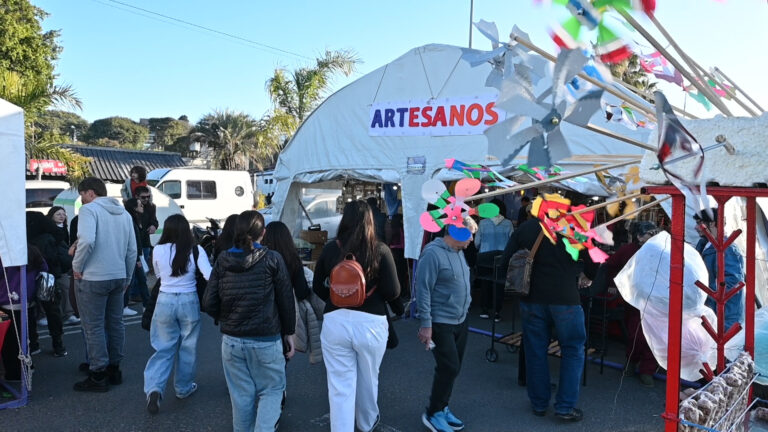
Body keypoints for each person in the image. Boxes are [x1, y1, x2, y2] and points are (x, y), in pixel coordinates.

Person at [203, 210, 296, 432]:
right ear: (263, 233)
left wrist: (226, 317)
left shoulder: (222, 260)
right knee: (272, 390)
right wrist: (289, 332)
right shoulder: (273, 259)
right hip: (266, 338)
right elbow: (285, 299)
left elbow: (208, 302)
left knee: (241, 396)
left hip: (232, 340)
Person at [313, 200, 400, 432]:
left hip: (335, 321)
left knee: (339, 384)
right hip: (371, 323)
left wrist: (338, 297)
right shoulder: (380, 249)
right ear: (370, 221)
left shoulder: (331, 249)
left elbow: (317, 286)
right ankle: (366, 423)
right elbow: (393, 291)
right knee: (369, 378)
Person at [502, 217, 592, 422]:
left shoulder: (526, 228)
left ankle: (539, 403)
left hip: (532, 298)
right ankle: (565, 407)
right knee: (572, 351)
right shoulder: (574, 228)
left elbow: (507, 258)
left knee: (535, 350)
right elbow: (593, 262)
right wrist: (585, 274)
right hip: (566, 298)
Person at [72, 177, 137, 392]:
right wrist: (127, 277)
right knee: (115, 323)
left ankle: (98, 373)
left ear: (90, 193)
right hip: (118, 275)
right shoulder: (125, 214)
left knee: (94, 326)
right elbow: (132, 250)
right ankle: (114, 368)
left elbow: (87, 240)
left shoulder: (89, 210)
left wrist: (77, 265)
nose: (81, 199)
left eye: (82, 194)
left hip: (93, 277)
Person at [144, 214, 212, 415]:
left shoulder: (158, 249)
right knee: (187, 347)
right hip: (189, 300)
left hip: (164, 300)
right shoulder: (196, 250)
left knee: (163, 348)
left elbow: (158, 275)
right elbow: (209, 275)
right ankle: (183, 388)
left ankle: (155, 388)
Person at [416, 221, 474, 432]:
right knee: (449, 367)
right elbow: (423, 289)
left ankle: (442, 406)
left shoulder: (459, 251)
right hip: (441, 321)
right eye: (469, 234)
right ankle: (433, 413)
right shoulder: (432, 253)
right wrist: (426, 324)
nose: (472, 239)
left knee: (453, 368)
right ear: (456, 231)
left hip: (460, 319)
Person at [596, 221, 660, 387]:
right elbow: (611, 265)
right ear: (639, 236)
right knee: (635, 334)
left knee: (653, 335)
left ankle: (647, 370)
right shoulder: (628, 250)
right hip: (634, 298)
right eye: (650, 233)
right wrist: (613, 284)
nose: (653, 236)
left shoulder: (661, 251)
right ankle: (631, 362)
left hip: (655, 299)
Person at [694, 207, 745, 330]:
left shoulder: (728, 249)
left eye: (699, 223)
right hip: (710, 313)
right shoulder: (704, 245)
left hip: (725, 316)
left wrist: (705, 293)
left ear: (712, 223)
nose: (696, 227)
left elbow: (732, 282)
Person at [0, 246, 46, 380]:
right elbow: (44, 269)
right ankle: (26, 366)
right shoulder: (32, 250)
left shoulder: (4, 253)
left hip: (7, 302)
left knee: (10, 342)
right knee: (26, 337)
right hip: (28, 301)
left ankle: (14, 372)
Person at [26, 211, 68, 357]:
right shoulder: (50, 238)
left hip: (29, 279)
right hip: (48, 278)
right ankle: (58, 344)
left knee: (30, 312)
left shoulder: (26, 240)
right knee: (52, 312)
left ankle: (33, 344)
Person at [474, 199, 513, 321]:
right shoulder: (508, 223)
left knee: (485, 283)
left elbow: (477, 242)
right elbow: (512, 242)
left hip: (485, 256)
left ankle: (485, 310)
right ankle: (497, 312)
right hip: (501, 257)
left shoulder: (483, 223)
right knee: (499, 285)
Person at [46, 206, 79, 325]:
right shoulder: (49, 230)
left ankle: (68, 313)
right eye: (58, 214)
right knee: (55, 290)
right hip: (54, 263)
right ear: (51, 216)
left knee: (66, 288)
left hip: (63, 264)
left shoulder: (64, 228)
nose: (62, 216)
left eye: (63, 214)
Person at [262, 221, 310, 302]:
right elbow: (301, 293)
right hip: (286, 305)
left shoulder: (260, 259)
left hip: (263, 306)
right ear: (287, 238)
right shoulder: (293, 259)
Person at [123, 198, 149, 313]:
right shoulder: (130, 220)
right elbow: (134, 240)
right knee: (132, 280)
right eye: (139, 204)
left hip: (136, 254)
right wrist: (138, 257)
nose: (142, 205)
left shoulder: (137, 218)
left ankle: (146, 304)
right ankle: (124, 306)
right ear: (134, 208)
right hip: (133, 255)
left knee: (141, 279)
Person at [135, 186, 158, 270]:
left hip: (145, 242)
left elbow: (154, 220)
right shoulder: (131, 207)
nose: (146, 199)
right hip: (134, 243)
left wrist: (153, 226)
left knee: (144, 269)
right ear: (136, 196)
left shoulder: (151, 206)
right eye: (143, 197)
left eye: (148, 196)